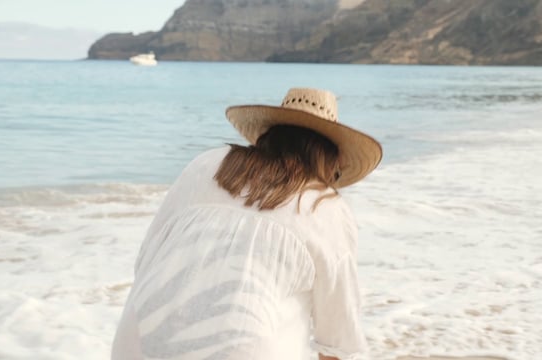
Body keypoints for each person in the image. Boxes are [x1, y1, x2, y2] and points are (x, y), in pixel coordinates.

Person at [111, 88, 382, 360]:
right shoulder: (324, 207)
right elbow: (336, 337)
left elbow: (147, 259)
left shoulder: (205, 164)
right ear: (330, 158)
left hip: (135, 343)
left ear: (267, 135)